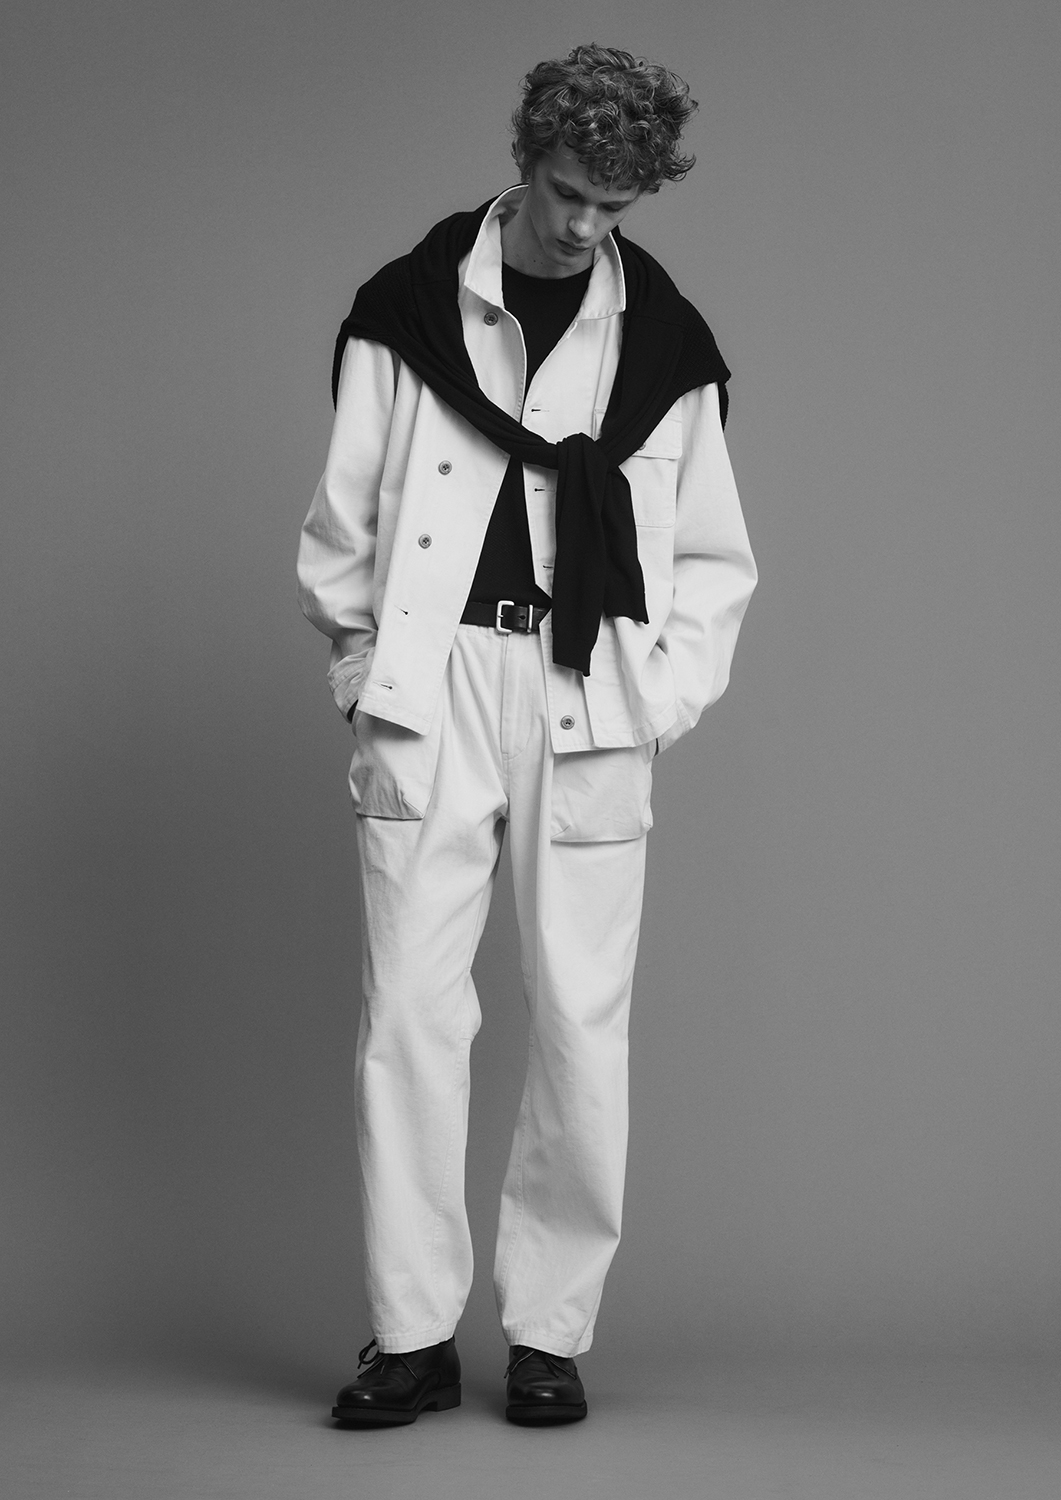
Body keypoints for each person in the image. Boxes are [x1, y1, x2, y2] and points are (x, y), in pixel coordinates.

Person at [297, 43, 756, 1427]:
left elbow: (714, 560)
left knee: (579, 1026)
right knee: (409, 1020)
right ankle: (411, 1337)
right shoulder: (405, 311)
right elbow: (344, 522)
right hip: (433, 685)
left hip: (587, 698)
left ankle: (549, 1337)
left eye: (614, 207)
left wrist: (653, 701)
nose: (583, 228)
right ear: (525, 162)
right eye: (567, 194)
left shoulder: (664, 343)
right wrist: (366, 674)